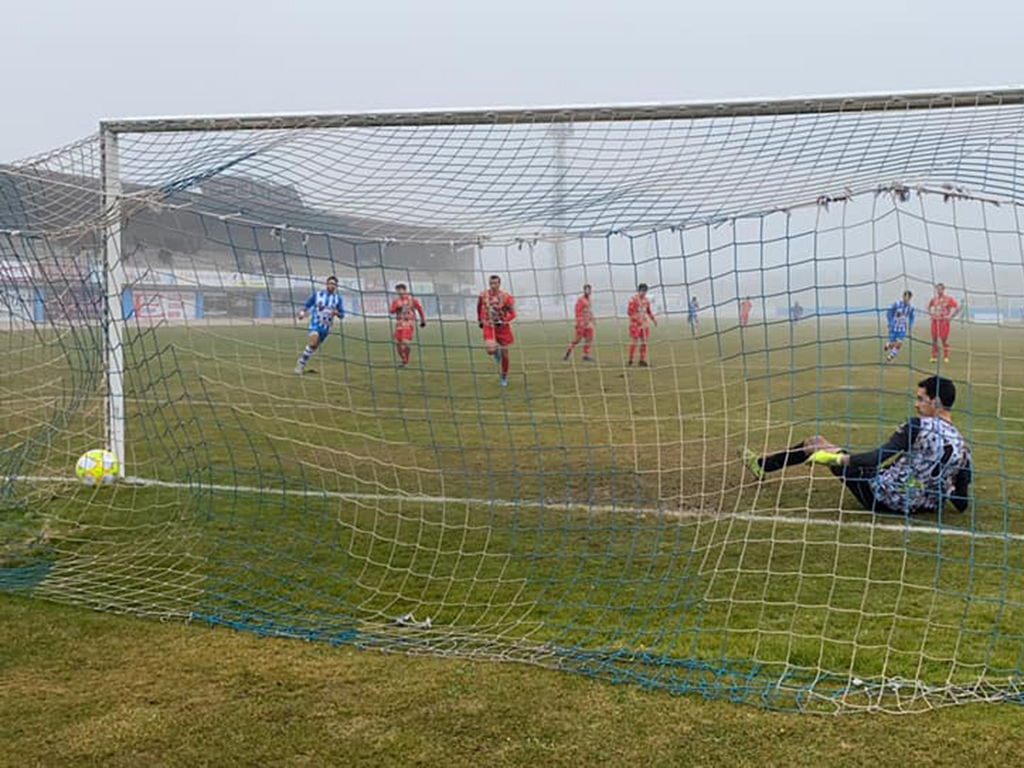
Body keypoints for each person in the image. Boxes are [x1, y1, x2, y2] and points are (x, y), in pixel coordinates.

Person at [743, 376, 973, 516]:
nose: (916, 405)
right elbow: (961, 503)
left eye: (921, 399)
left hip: (882, 497)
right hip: (925, 505)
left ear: (936, 402)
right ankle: (764, 465)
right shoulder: (963, 446)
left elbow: (878, 456)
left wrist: (838, 460)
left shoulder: (919, 426)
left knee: (815, 443)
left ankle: (761, 465)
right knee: (831, 448)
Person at [295, 275, 344, 375]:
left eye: (334, 284)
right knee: (313, 343)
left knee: (312, 348)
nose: (332, 286)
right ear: (326, 284)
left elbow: (342, 314)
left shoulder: (338, 299)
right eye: (330, 283)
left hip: (326, 329)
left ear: (336, 286)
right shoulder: (318, 295)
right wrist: (302, 312)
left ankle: (302, 362)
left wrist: (337, 313)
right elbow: (308, 304)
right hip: (315, 325)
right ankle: (300, 365)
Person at [477, 274, 516, 386]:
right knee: (490, 350)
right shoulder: (483, 295)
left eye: (495, 283)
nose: (493, 285)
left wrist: (503, 320)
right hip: (488, 325)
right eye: (491, 283)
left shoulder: (506, 297)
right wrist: (479, 319)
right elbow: (479, 306)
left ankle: (504, 376)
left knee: (505, 355)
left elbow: (513, 314)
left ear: (499, 284)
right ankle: (495, 352)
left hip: (502, 328)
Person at [389, 283, 426, 366]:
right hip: (399, 324)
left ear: (405, 290)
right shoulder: (396, 301)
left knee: (405, 342)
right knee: (398, 343)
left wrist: (423, 320)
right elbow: (391, 311)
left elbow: (419, 309)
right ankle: (404, 359)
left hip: (408, 323)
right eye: (397, 291)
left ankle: (406, 360)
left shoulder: (412, 300)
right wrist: (396, 309)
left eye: (400, 290)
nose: (398, 292)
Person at [928, 283, 960, 363]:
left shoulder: (948, 299)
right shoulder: (934, 299)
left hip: (944, 322)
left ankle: (946, 356)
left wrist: (951, 317)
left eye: (940, 289)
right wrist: (931, 315)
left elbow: (958, 308)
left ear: (943, 289)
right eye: (937, 289)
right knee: (934, 339)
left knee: (944, 340)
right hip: (935, 321)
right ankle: (934, 356)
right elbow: (928, 307)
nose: (939, 290)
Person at [627, 283, 657, 367]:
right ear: (638, 290)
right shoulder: (633, 300)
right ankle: (630, 359)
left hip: (644, 325)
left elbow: (648, 311)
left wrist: (653, 318)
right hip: (635, 325)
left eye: (645, 291)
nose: (643, 293)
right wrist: (636, 320)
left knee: (644, 342)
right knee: (634, 342)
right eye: (642, 291)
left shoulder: (646, 300)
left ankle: (642, 360)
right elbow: (629, 312)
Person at [564, 284, 595, 362]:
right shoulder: (581, 300)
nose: (588, 291)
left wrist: (592, 318)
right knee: (577, 340)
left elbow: (589, 310)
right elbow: (577, 311)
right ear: (584, 290)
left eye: (589, 290)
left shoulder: (589, 300)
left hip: (588, 323)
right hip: (581, 323)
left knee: (589, 339)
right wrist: (579, 322)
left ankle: (585, 355)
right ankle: (568, 353)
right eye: (586, 290)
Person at [884, 290, 916, 363]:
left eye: (909, 298)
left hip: (902, 328)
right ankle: (888, 344)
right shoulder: (896, 304)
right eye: (906, 297)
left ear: (910, 298)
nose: (907, 299)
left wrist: (911, 324)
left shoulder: (910, 308)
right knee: (892, 344)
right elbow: (889, 313)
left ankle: (890, 357)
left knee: (899, 343)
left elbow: (912, 317)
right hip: (893, 327)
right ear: (903, 296)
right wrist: (890, 322)